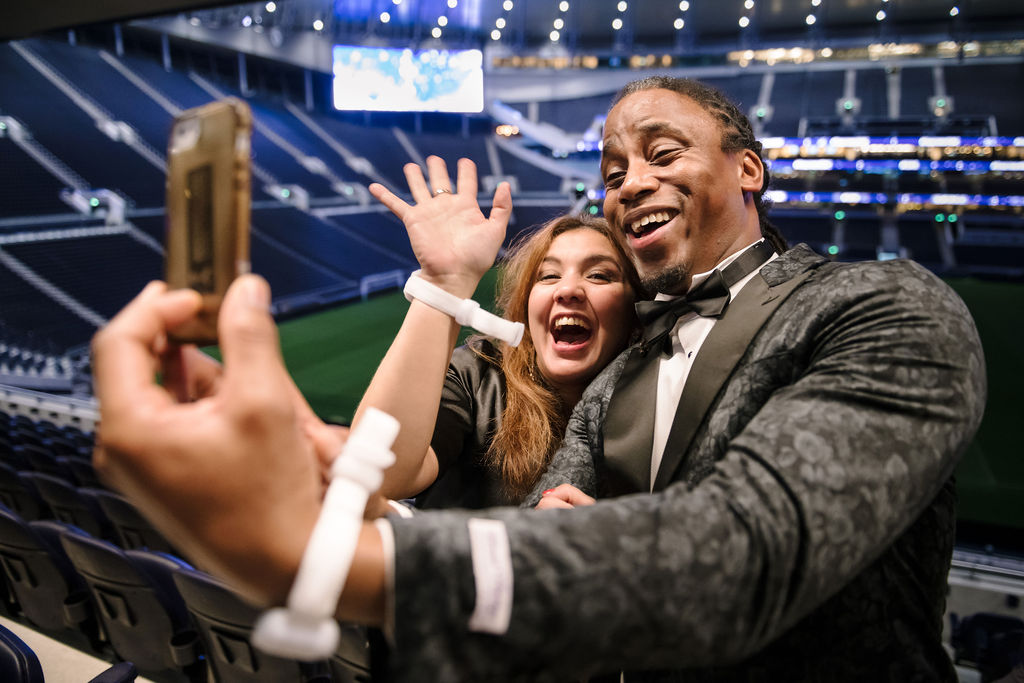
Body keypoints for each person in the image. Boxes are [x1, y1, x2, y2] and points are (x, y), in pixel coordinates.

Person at [91, 76, 986, 681]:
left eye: (663, 153)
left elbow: (744, 552)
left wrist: (333, 556)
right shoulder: (625, 366)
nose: (630, 183)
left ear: (748, 169)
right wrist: (336, 476)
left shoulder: (883, 304)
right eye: (612, 171)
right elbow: (541, 525)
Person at [360, 157, 641, 511]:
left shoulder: (660, 397)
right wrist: (444, 285)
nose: (568, 289)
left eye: (599, 275)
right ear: (526, 304)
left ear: (637, 309)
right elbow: (377, 475)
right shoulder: (477, 377)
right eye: (548, 276)